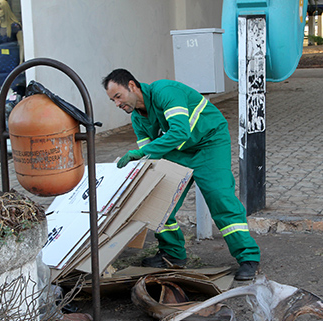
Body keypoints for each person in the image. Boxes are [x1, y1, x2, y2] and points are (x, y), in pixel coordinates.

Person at [102, 69, 261, 280]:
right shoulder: (138, 120)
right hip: (178, 152)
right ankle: (173, 254)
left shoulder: (165, 91)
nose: (117, 104)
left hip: (208, 143)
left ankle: (248, 257)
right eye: (112, 100)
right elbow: (151, 158)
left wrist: (140, 152)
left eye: (118, 96)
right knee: (159, 200)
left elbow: (179, 132)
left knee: (219, 197)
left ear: (132, 85)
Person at [0, 0, 24, 93]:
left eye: (0, 9)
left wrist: (21, 61)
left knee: (13, 81)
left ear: (5, 9)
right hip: (1, 60)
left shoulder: (15, 26)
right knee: (3, 83)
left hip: (12, 58)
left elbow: (21, 45)